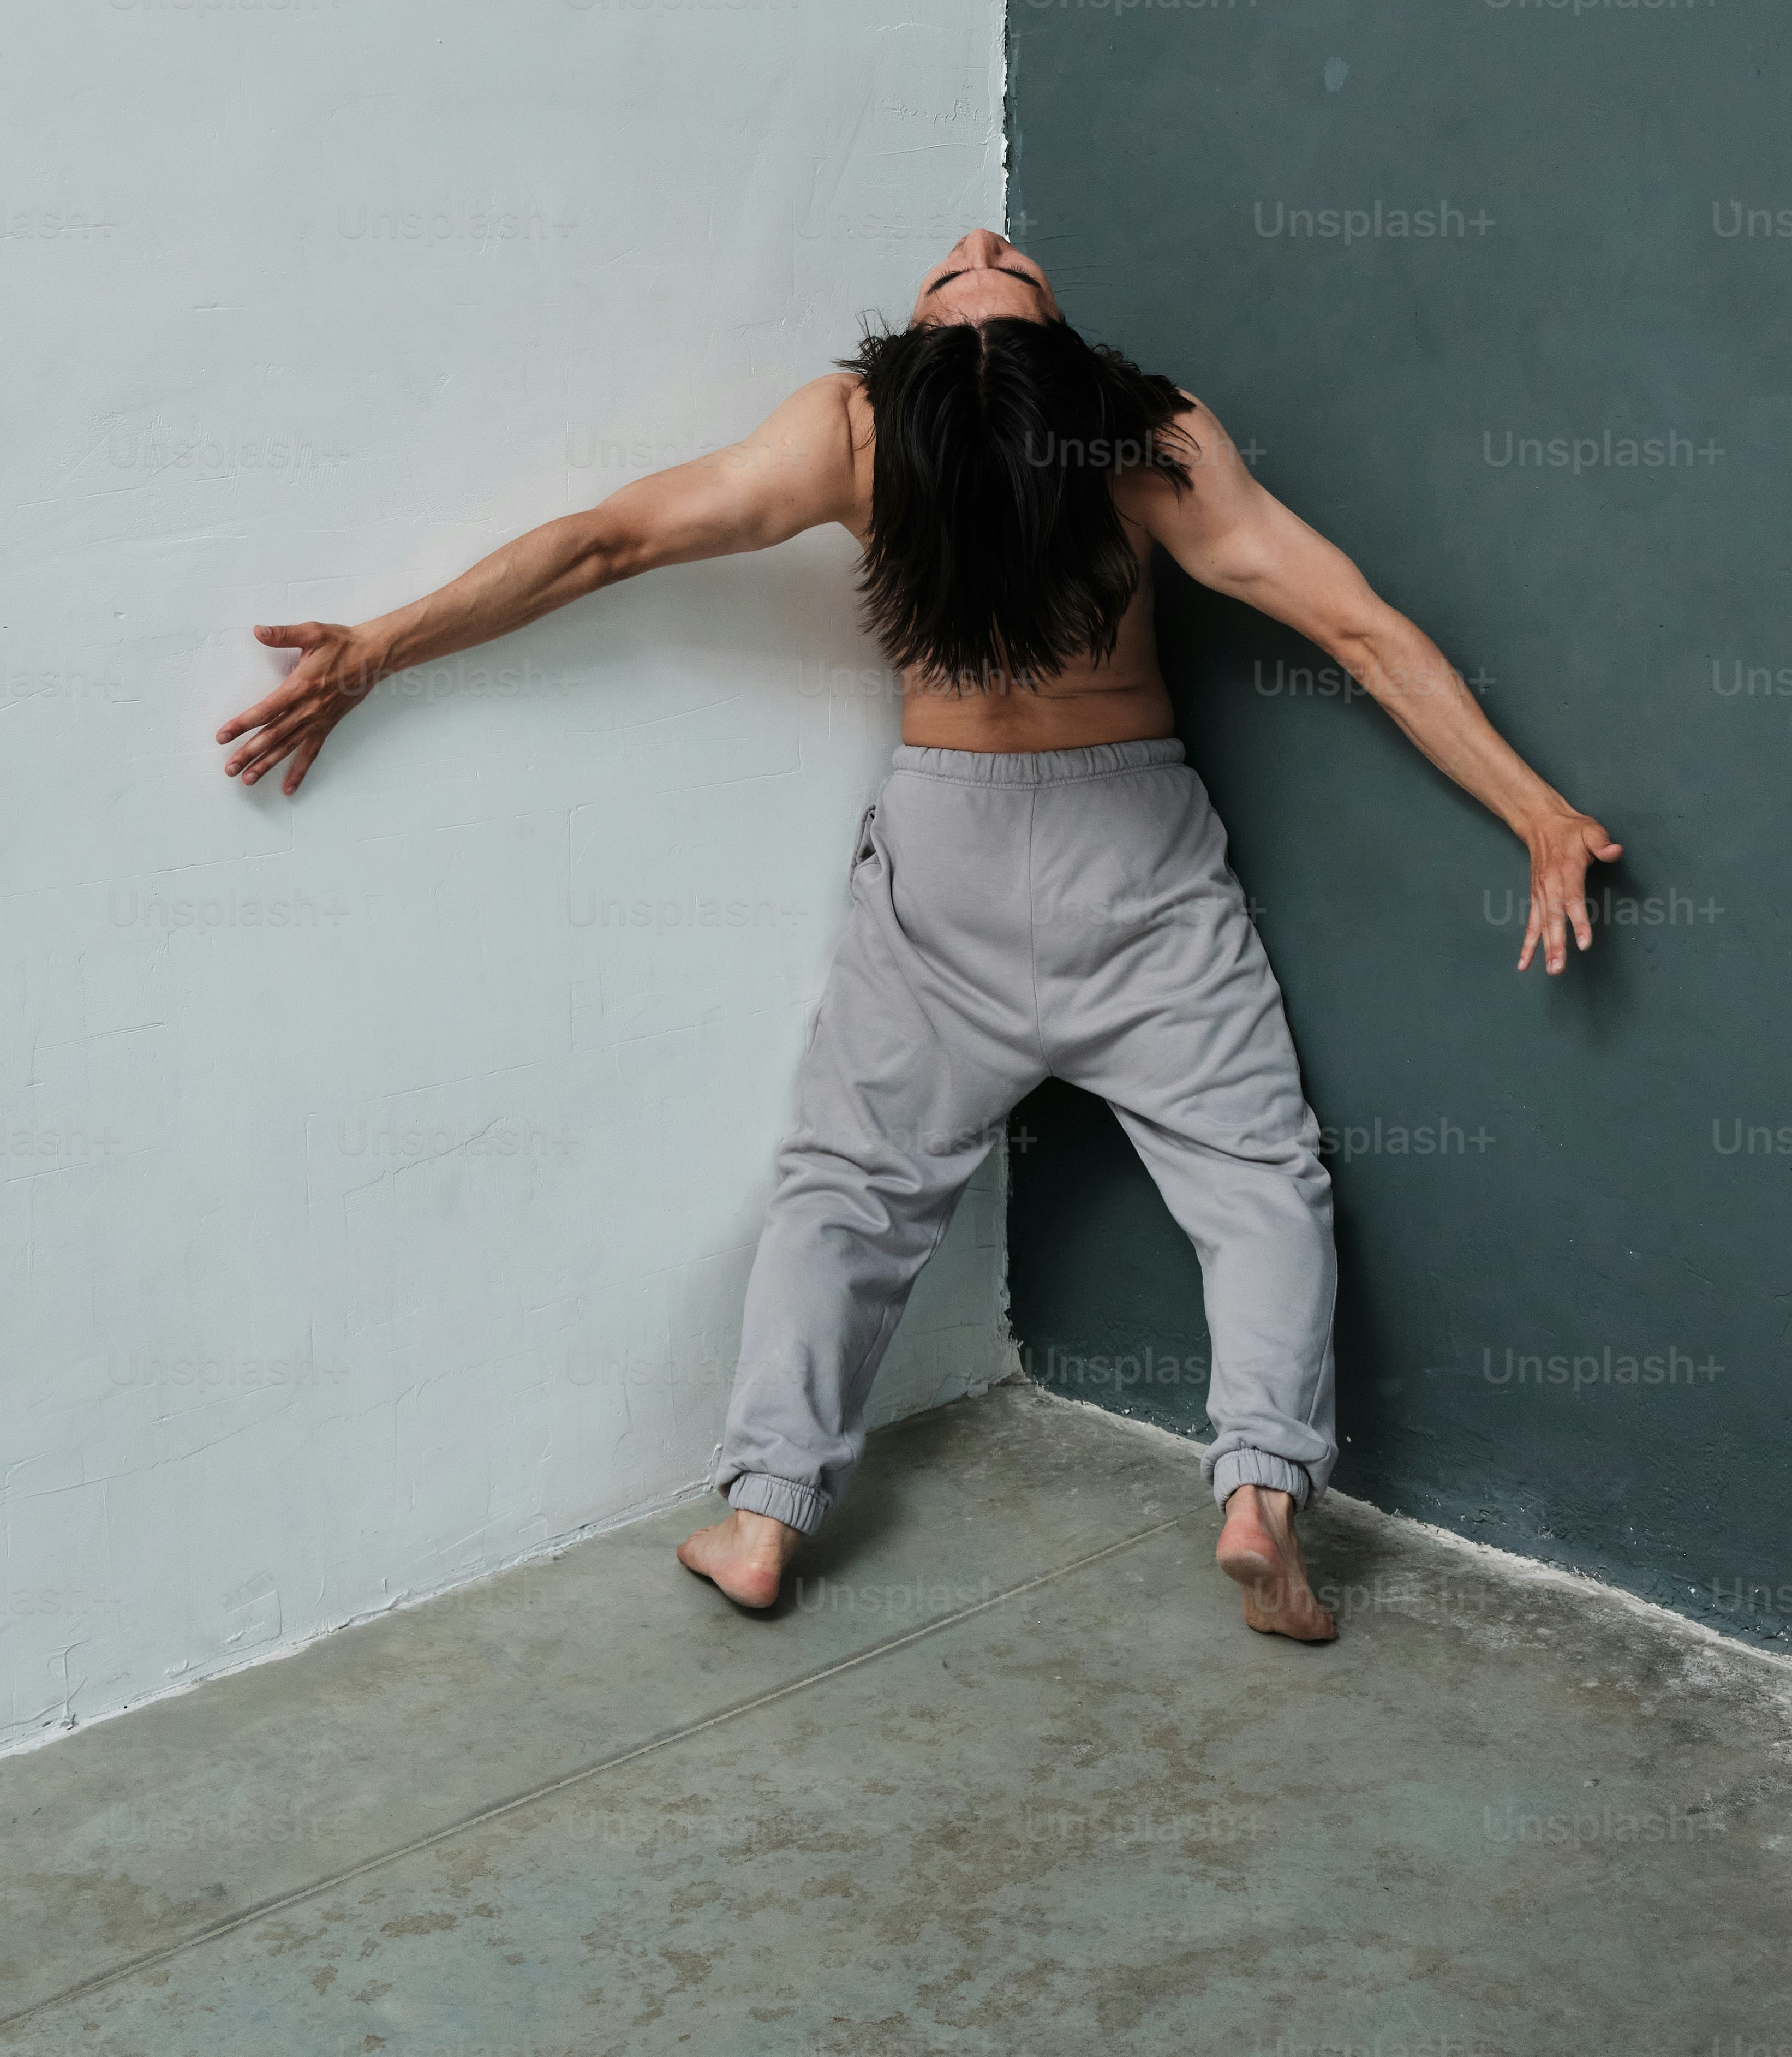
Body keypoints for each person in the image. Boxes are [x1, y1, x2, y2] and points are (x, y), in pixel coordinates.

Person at [216, 227, 1618, 1641]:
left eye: (974, 268)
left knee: (848, 1191)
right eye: (976, 268)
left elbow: (610, 542)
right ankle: (1260, 1494)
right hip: (1132, 858)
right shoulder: (1149, 439)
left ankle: (764, 1518)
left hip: (947, 856)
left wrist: (381, 646)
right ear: (1057, 353)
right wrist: (1537, 812)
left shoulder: (852, 430)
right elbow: (1361, 630)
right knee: (1257, 1179)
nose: (979, 243)